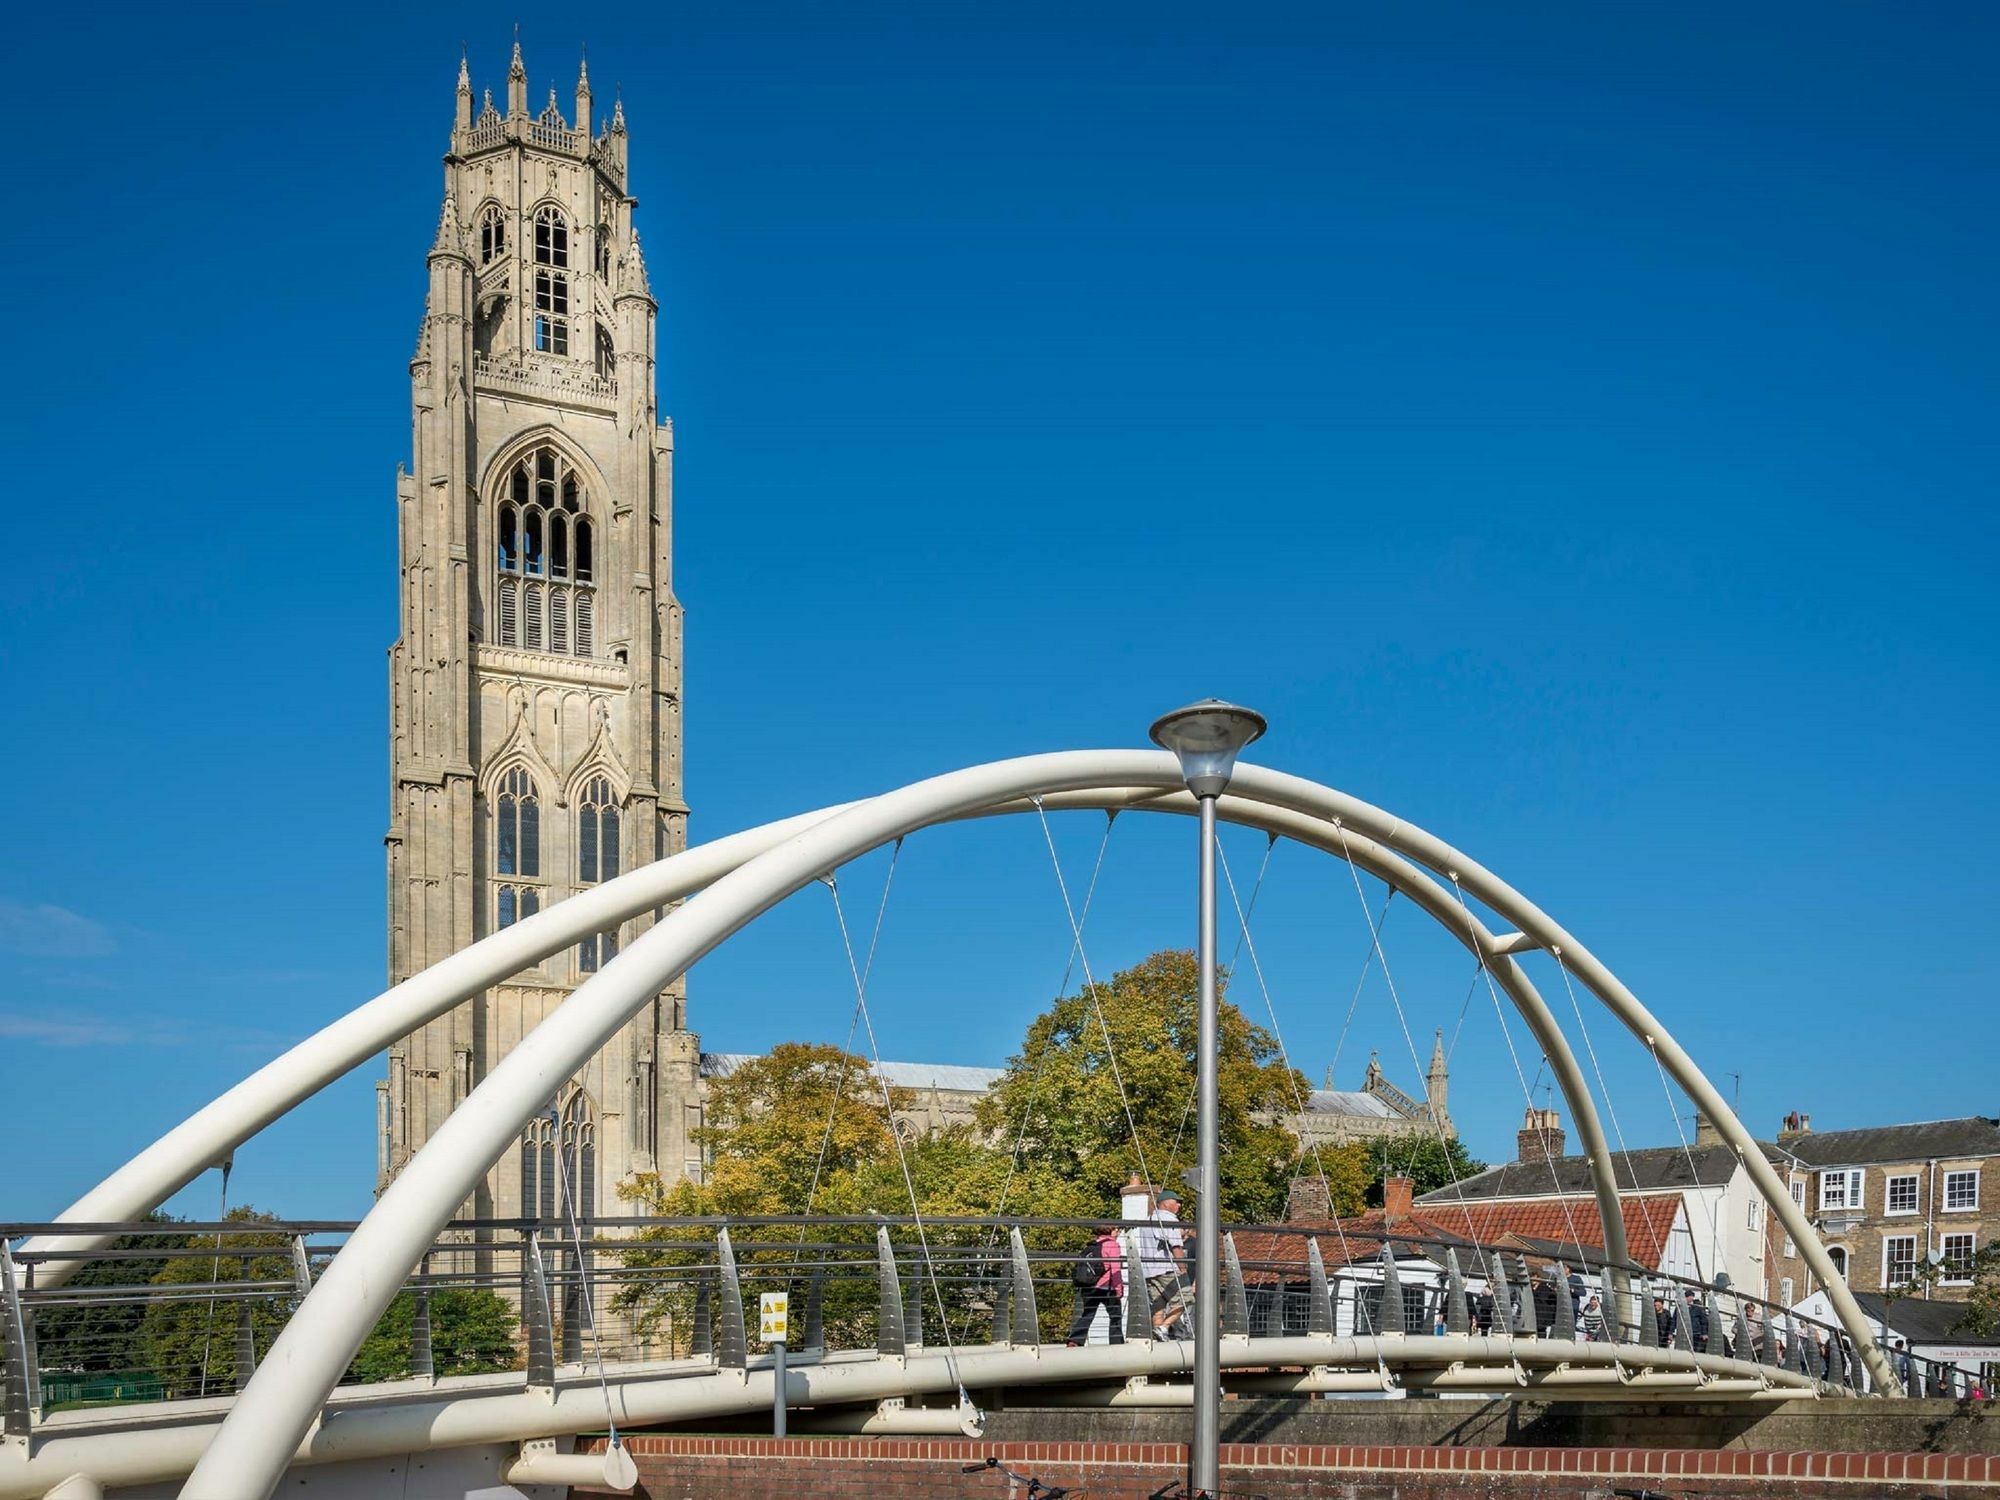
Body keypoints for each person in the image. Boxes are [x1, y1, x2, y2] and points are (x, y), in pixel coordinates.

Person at [1065, 1223, 1126, 1346]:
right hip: (1106, 1288)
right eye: (1117, 1230)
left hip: (1089, 1286)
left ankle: (1075, 1340)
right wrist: (1119, 1288)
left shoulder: (1092, 1245)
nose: (1118, 1233)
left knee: (1088, 1314)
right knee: (1115, 1316)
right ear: (1111, 1231)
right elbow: (1115, 1269)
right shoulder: (1112, 1245)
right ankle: (1116, 1343)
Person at [1136, 1190, 1188, 1325]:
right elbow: (1176, 1246)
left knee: (1159, 1305)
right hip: (1166, 1269)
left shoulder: (1147, 1221)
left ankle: (1158, 1339)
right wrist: (1183, 1268)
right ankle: (1163, 1328)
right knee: (1185, 1299)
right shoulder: (1169, 1219)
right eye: (1176, 1202)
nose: (1179, 1205)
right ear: (1165, 1204)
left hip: (1149, 1270)